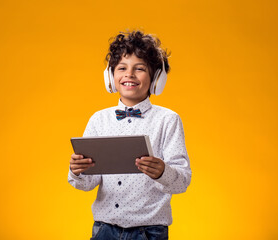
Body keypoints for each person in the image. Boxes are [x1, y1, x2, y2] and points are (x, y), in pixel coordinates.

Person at [68, 30, 192, 240]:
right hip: (103, 230)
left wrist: (163, 172)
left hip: (149, 232)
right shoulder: (99, 120)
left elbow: (182, 182)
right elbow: (87, 185)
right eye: (122, 68)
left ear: (156, 79)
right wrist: (77, 171)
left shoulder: (168, 120)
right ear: (110, 76)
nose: (129, 74)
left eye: (140, 68)